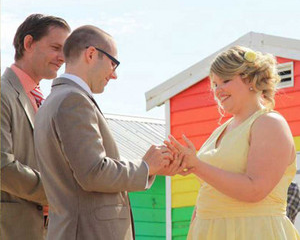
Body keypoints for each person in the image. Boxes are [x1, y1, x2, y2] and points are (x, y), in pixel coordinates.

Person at [34, 25, 175, 240]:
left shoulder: (53, 102)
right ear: (91, 54)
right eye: (113, 63)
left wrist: (153, 167)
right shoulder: (73, 101)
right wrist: (145, 167)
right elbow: (93, 172)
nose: (115, 74)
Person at [166, 46, 300, 239]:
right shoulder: (221, 130)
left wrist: (197, 165)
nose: (218, 90)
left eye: (225, 81)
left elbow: (255, 190)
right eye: (214, 85)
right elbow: (207, 192)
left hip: (253, 232)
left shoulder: (269, 123)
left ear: (250, 80)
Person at [1, 14, 70, 240]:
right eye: (56, 47)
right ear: (28, 43)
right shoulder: (3, 94)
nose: (63, 58)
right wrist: (58, 192)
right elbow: (2, 166)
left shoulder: (48, 100)